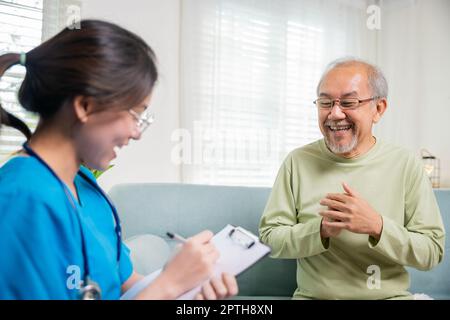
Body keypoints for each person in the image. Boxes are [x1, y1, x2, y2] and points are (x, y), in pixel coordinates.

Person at [0, 20, 238, 300]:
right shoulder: (22, 199)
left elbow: (125, 286)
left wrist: (186, 286)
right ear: (85, 106)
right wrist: (169, 284)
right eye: (135, 115)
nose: (136, 133)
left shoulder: (84, 185)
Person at [259, 58, 445, 300]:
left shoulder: (406, 164)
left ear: (378, 109)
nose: (335, 114)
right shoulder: (297, 162)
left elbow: (431, 251)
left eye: (348, 102)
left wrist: (377, 226)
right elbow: (270, 238)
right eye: (326, 102)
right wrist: (320, 230)